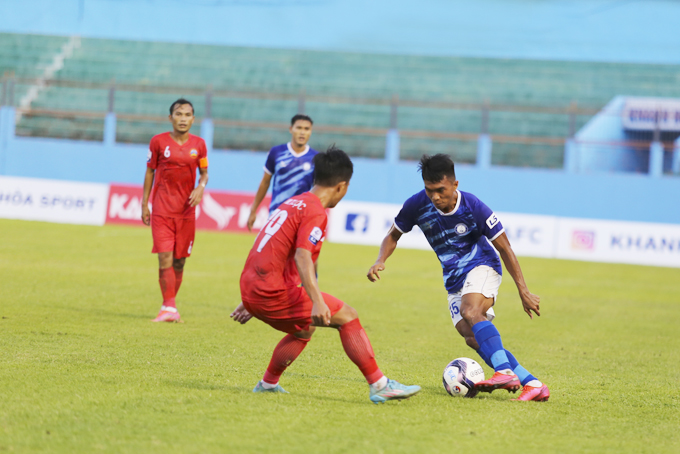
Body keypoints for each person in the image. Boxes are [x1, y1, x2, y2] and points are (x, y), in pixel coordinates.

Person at [231, 146, 420, 404]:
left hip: (254, 285)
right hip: (267, 290)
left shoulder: (293, 202)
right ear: (342, 186)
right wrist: (317, 300)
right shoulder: (315, 211)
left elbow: (268, 247)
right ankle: (380, 385)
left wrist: (250, 295)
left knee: (305, 329)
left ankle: (268, 384)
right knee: (348, 316)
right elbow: (301, 256)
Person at [366, 154, 549, 402]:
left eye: (440, 190)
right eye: (429, 191)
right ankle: (533, 384)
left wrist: (523, 291)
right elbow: (393, 235)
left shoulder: (474, 207)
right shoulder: (417, 205)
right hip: (454, 280)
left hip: (483, 265)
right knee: (472, 337)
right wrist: (380, 260)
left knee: (471, 311)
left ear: (455, 184)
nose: (435, 197)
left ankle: (504, 372)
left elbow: (505, 248)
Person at [142, 98, 209, 323]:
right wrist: (145, 204)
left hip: (186, 212)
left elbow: (205, 173)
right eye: (178, 114)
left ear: (193, 118)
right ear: (170, 118)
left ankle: (170, 306)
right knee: (165, 258)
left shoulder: (199, 145)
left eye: (187, 114)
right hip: (162, 210)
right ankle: (168, 307)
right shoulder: (158, 142)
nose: (183, 119)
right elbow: (150, 171)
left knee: (180, 261)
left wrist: (201, 187)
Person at [246, 114, 318, 231]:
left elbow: (317, 190)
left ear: (311, 131)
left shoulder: (316, 158)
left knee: (298, 250)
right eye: (299, 128)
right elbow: (265, 182)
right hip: (276, 214)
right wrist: (253, 210)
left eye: (306, 129)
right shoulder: (277, 152)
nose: (302, 132)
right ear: (291, 129)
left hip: (302, 218)